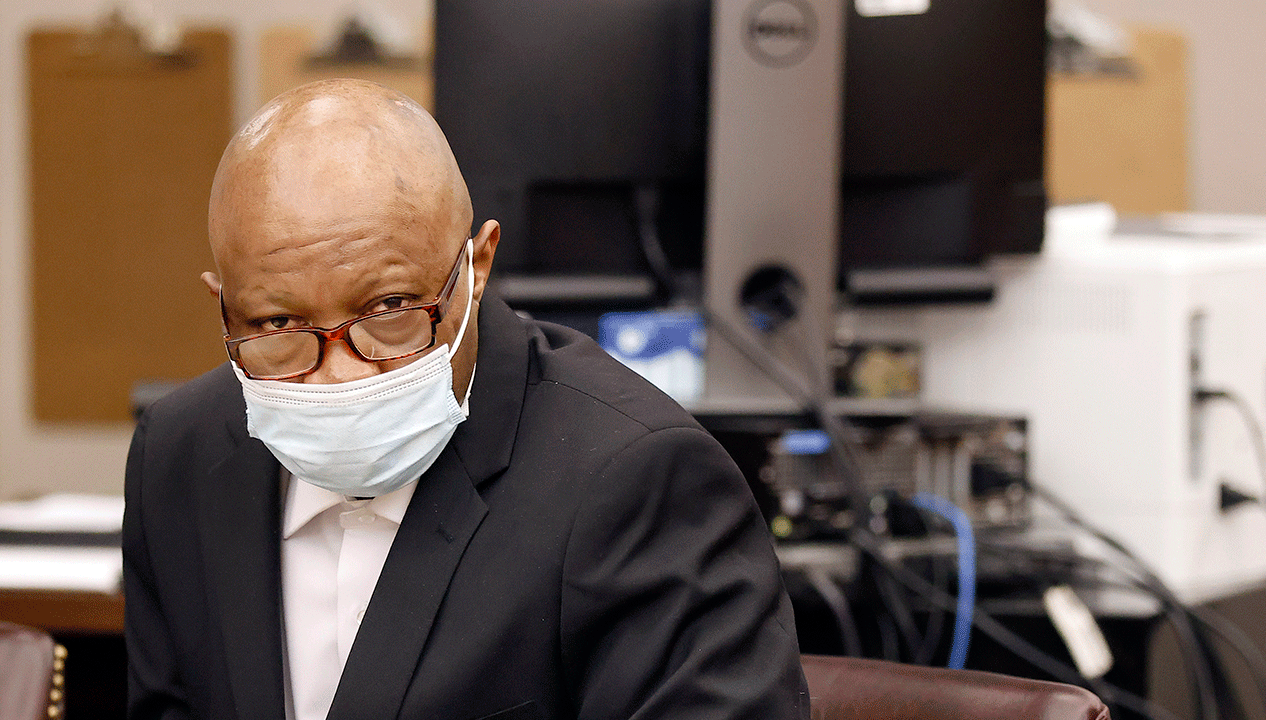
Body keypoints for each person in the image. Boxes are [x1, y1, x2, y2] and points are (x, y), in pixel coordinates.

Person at [123, 78, 809, 720]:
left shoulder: (634, 479)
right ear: (224, 306)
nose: (338, 374)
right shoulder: (179, 456)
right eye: (277, 324)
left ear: (476, 266)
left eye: (390, 308)